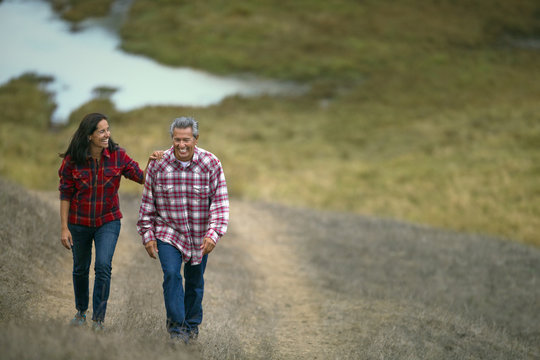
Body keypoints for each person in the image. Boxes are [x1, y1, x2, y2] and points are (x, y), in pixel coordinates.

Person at [59, 112, 161, 331]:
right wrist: (64, 227)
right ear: (89, 136)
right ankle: (80, 312)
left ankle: (98, 320)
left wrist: (151, 164)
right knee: (80, 268)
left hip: (108, 221)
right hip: (79, 222)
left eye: (108, 129)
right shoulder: (73, 160)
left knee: (103, 266)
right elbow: (65, 193)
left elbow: (142, 178)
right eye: (101, 131)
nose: (107, 134)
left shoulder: (118, 156)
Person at [137, 116, 229, 344]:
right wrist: (148, 235)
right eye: (177, 139)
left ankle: (191, 328)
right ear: (172, 139)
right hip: (169, 232)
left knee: (195, 282)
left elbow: (220, 203)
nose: (181, 145)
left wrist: (213, 234)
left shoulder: (211, 163)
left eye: (186, 139)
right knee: (171, 275)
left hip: (200, 236)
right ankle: (176, 330)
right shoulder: (159, 164)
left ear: (196, 139)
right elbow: (148, 203)